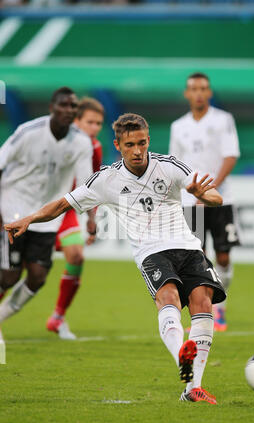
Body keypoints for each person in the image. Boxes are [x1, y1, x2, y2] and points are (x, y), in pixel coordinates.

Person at [5, 113, 225, 404]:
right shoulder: (106, 180)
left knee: (203, 304)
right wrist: (30, 219)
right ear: (118, 145)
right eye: (130, 144)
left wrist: (204, 196)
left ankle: (192, 388)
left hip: (188, 246)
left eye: (142, 143)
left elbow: (216, 198)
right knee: (168, 298)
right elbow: (62, 204)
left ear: (148, 140)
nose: (137, 150)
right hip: (152, 251)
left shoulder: (169, 166)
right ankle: (182, 353)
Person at [0, 87, 96, 339]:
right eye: (63, 105)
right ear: (52, 108)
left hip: (46, 217)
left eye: (72, 106)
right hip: (13, 208)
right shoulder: (28, 133)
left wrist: (92, 218)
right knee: (9, 276)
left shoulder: (81, 142)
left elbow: (87, 186)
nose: (68, 110)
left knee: (38, 276)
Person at [169, 72, 241, 332]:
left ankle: (219, 307)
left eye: (203, 88)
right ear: (187, 94)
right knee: (198, 258)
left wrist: (211, 189)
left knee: (223, 255)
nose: (198, 93)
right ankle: (207, 312)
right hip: (190, 203)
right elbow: (174, 165)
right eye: (193, 89)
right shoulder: (178, 126)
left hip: (221, 199)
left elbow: (230, 156)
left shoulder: (223, 120)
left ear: (209, 92)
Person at [46, 97, 104, 339]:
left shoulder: (95, 148)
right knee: (16, 268)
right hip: (35, 207)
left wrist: (92, 219)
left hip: (64, 212)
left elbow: (93, 186)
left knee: (76, 255)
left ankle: (58, 317)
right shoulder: (53, 140)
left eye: (99, 123)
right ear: (75, 121)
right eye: (89, 122)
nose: (94, 127)